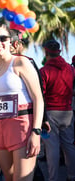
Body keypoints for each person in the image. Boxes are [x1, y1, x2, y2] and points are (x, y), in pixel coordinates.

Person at [0, 22, 44, 181]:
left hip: (22, 126)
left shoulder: (20, 62)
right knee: (9, 178)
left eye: (2, 38)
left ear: (10, 40)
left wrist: (36, 131)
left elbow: (38, 98)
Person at [40, 40, 75, 181]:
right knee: (69, 145)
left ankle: (53, 178)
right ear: (59, 51)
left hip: (50, 112)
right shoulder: (70, 69)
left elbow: (40, 94)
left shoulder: (43, 71)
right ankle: (72, 176)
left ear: (46, 52)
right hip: (68, 111)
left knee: (52, 148)